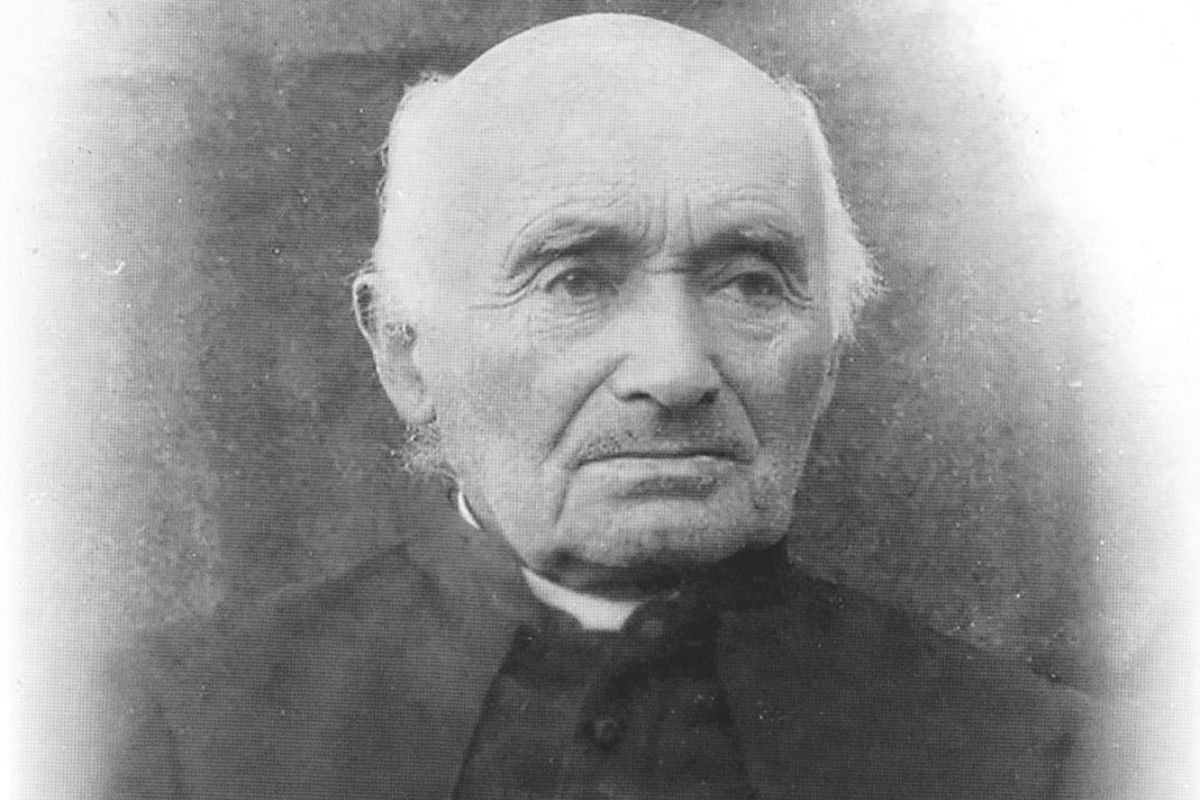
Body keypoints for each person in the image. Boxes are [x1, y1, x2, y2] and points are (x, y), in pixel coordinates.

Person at [106, 13, 1105, 799]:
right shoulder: (156, 743)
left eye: (751, 282)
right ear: (406, 351)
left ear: (831, 352)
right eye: (575, 279)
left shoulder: (1054, 764)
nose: (676, 371)